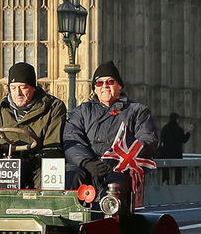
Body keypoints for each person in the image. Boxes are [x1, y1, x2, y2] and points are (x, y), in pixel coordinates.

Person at [63, 61, 158, 198]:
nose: (105, 86)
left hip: (119, 168)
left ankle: (110, 216)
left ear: (120, 86)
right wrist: (87, 162)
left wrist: (117, 161)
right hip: (88, 166)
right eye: (99, 83)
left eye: (110, 82)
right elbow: (71, 139)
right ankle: (70, 216)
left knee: (115, 185)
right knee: (71, 175)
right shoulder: (82, 111)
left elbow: (148, 139)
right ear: (94, 89)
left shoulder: (137, 111)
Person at [0, 61, 67, 189]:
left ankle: (41, 208)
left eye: (23, 87)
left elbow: (53, 144)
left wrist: (30, 159)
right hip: (6, 162)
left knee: (47, 173)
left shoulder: (53, 107)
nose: (18, 93)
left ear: (33, 87)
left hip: (36, 164)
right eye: (13, 88)